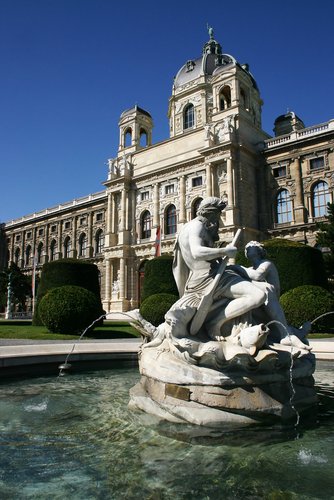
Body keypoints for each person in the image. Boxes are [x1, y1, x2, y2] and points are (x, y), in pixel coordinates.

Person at [166, 197, 267, 340]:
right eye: (218, 215)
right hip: (212, 278)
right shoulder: (198, 226)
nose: (218, 220)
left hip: (200, 278)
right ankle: (215, 323)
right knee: (258, 295)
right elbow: (197, 252)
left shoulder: (186, 228)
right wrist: (224, 251)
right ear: (212, 212)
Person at [232, 240, 311, 349]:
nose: (248, 248)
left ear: (259, 251)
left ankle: (287, 334)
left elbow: (257, 276)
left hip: (270, 301)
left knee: (266, 289)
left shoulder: (266, 264)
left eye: (252, 247)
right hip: (260, 304)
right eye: (247, 248)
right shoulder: (249, 269)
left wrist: (237, 267)